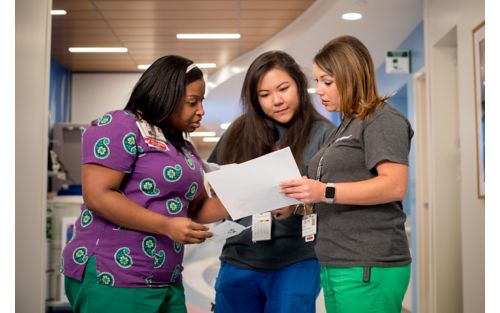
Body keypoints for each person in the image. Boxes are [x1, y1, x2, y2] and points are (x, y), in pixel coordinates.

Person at [60, 55, 228, 313]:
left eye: (201, 101)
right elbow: (98, 195)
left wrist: (253, 198)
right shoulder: (120, 125)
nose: (201, 111)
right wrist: (166, 225)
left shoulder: (183, 147)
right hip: (115, 275)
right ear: (165, 97)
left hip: (166, 277)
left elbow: (193, 209)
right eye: (192, 102)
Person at [280, 35, 413, 313]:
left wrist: (324, 191)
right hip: (336, 260)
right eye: (317, 81)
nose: (319, 90)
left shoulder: (382, 120)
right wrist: (297, 203)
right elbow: (340, 187)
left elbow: (394, 185)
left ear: (351, 77)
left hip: (367, 261)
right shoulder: (345, 126)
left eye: (327, 81)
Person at [208, 50, 335, 313]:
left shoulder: (325, 135)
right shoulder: (238, 133)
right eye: (264, 95)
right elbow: (211, 183)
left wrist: (296, 206)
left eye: (283, 89)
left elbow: (336, 200)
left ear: (299, 85)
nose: (276, 101)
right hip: (239, 256)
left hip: (298, 259)